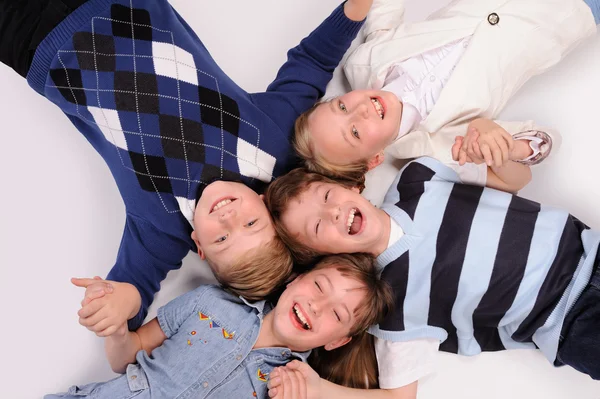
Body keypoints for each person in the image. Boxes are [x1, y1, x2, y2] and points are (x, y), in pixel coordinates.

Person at [0, 0, 371, 331]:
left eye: (222, 237)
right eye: (251, 223)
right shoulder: (273, 144)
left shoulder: (164, 227)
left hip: (37, 46)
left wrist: (117, 304)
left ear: (201, 247)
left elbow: (136, 290)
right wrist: (355, 9)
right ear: (267, 205)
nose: (228, 217)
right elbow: (312, 63)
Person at [264, 163, 600, 397]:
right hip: (569, 322)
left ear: (350, 185)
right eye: (318, 228)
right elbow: (399, 397)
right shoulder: (392, 305)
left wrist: (500, 144)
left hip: (590, 247)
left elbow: (516, 176)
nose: (332, 213)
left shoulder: (418, 177)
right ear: (323, 253)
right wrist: (321, 391)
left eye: (326, 196)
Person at [291, 0, 600, 193]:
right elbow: (529, 165)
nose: (359, 110)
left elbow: (384, 11)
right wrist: (503, 143)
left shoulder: (364, 60)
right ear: (374, 160)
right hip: (566, 12)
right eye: (355, 132)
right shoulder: (439, 147)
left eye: (341, 106)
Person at [45, 254, 394, 398]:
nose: (318, 307)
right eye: (319, 287)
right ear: (294, 281)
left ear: (337, 341)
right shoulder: (211, 302)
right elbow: (124, 360)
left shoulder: (295, 387)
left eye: (337, 315)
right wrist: (117, 329)